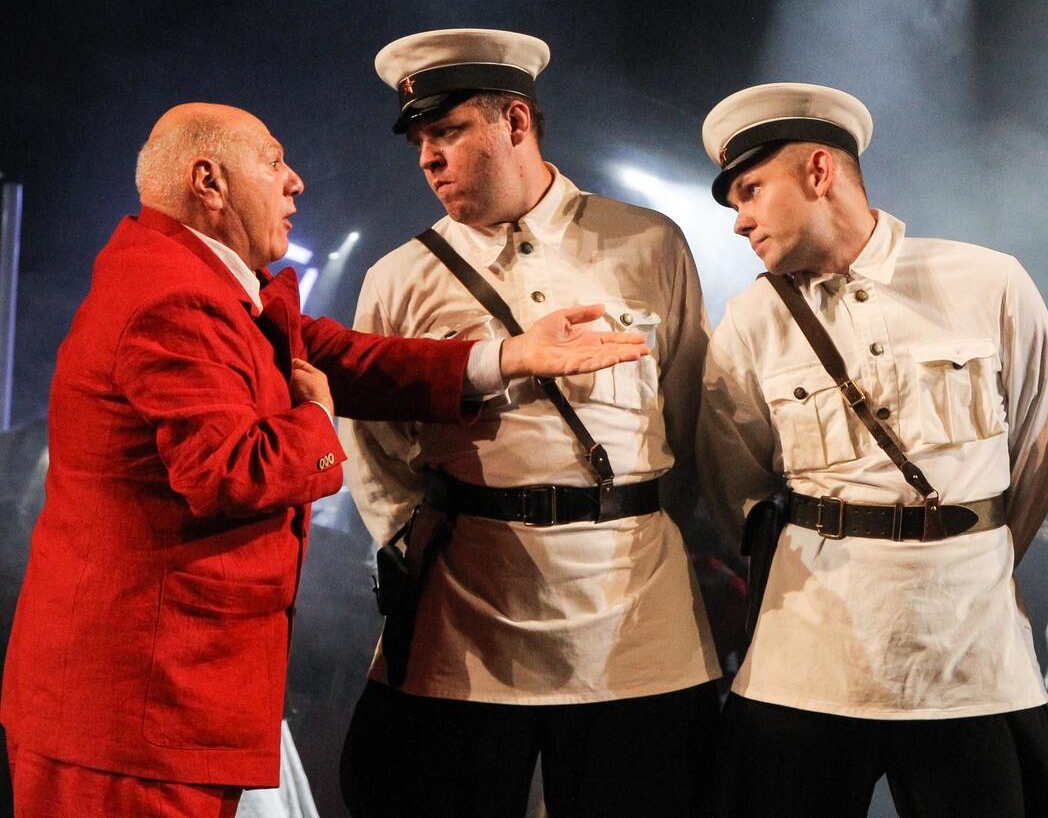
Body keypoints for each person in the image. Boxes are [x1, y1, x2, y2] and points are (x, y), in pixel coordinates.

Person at [0, 103, 647, 817]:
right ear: (209, 183)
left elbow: (351, 358)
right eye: (273, 161)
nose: (295, 181)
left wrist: (512, 356)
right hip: (135, 714)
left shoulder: (197, 283)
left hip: (155, 706)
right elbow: (228, 471)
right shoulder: (172, 300)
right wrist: (315, 418)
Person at [337, 29, 720, 818]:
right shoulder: (398, 278)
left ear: (515, 120)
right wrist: (424, 546)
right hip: (469, 619)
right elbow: (373, 447)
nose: (428, 158)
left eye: (448, 131)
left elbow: (690, 417)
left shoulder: (647, 242)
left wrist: (632, 524)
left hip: (635, 621)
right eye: (419, 141)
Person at [697, 82, 1048, 817]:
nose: (739, 221)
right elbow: (733, 486)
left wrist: (969, 554)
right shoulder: (752, 320)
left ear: (819, 171)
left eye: (751, 190)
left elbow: (1040, 454)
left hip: (972, 658)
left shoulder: (988, 282)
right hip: (807, 662)